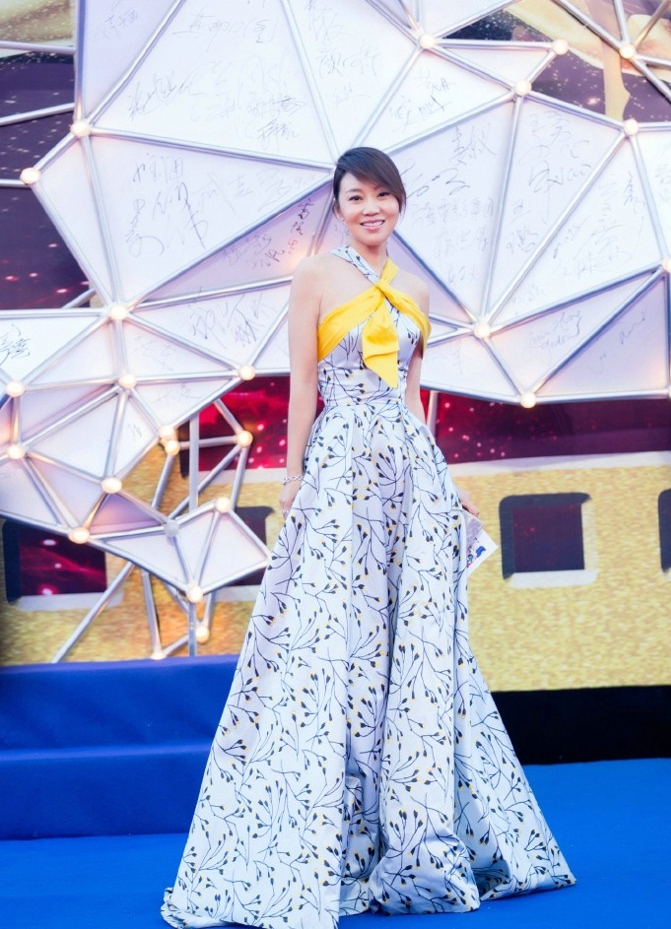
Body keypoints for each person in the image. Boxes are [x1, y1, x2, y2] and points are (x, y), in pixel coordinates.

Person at [161, 147, 575, 929]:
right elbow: (303, 384)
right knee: (331, 642)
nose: (371, 207)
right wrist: (292, 480)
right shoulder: (316, 276)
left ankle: (418, 834)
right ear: (339, 206)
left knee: (412, 643)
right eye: (356, 196)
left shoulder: (417, 290)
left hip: (409, 473)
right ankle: (330, 843)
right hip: (342, 469)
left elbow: (414, 397)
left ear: (400, 202)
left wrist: (446, 485)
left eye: (382, 194)